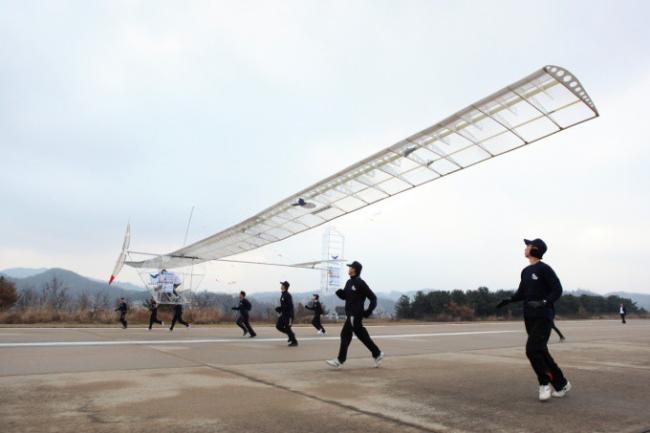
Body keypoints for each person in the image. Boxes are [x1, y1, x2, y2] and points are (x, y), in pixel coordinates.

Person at [496, 238, 571, 401]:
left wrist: (544, 302)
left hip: (544, 316)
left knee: (531, 350)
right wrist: (509, 299)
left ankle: (544, 384)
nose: (525, 248)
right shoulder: (525, 271)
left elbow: (557, 289)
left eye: (528, 246)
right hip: (529, 316)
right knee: (541, 351)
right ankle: (562, 384)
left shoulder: (545, 269)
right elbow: (522, 293)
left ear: (535, 249)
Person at [326, 261, 384, 368]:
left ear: (355, 269)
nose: (349, 268)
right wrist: (339, 292)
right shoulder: (349, 282)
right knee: (360, 335)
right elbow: (346, 296)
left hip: (355, 314)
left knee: (346, 335)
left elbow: (373, 298)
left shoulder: (360, 283)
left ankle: (340, 360)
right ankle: (377, 353)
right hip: (351, 315)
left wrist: (368, 312)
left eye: (351, 267)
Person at [275, 281, 297, 346]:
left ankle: (294, 342)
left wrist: (280, 308)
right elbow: (284, 305)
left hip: (288, 315)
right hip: (283, 314)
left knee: (287, 328)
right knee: (278, 326)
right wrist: (280, 309)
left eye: (282, 285)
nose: (281, 286)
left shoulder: (287, 295)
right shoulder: (283, 294)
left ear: (284, 286)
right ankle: (291, 335)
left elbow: (289, 306)